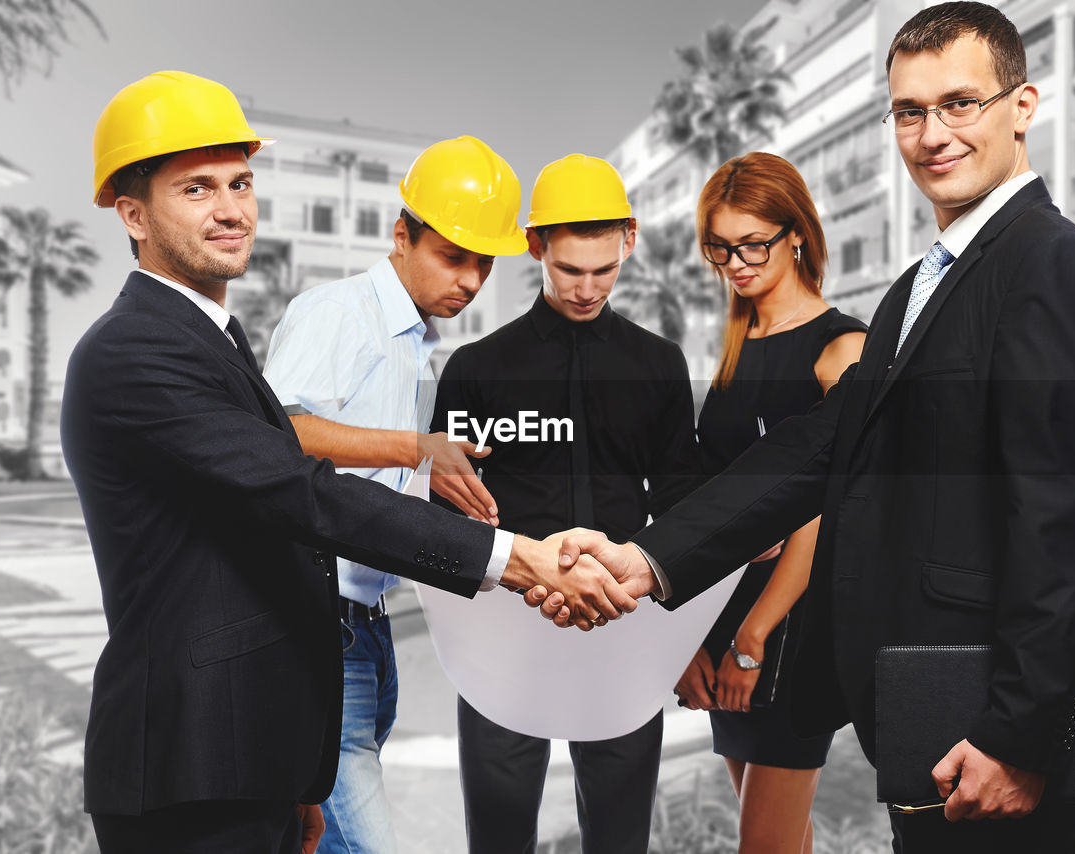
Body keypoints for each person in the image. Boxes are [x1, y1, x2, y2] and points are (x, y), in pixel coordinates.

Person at [543, 4, 1075, 852]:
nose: (932, 134)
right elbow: (820, 446)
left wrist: (1021, 733)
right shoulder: (917, 290)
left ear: (1022, 106)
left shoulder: (1051, 263)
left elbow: (1061, 519)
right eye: (908, 111)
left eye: (960, 103)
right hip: (928, 701)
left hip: (995, 723)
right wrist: (647, 559)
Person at [64, 70, 633, 854]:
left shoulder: (212, 341)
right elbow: (299, 489)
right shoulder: (136, 350)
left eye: (240, 182)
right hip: (188, 762)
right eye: (196, 190)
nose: (231, 209)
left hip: (255, 738)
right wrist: (520, 559)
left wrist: (301, 773)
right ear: (132, 214)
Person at [430, 154, 700, 854]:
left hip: (623, 630)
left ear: (629, 243)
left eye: (603, 270)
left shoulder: (660, 365)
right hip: (504, 628)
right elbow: (451, 516)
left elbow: (676, 502)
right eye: (569, 270)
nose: (586, 288)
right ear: (535, 247)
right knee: (497, 835)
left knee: (619, 838)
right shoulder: (475, 370)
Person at [261, 135, 524, 854]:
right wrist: (416, 448)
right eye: (453, 256)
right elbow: (280, 432)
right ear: (401, 235)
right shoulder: (340, 313)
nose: (471, 280)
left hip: (367, 629)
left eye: (484, 263)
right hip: (316, 629)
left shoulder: (416, 343)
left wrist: (429, 477)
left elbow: (360, 473)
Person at [672, 152, 864, 854]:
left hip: (794, 627)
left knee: (766, 848)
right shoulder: (730, 350)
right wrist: (689, 634)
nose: (736, 262)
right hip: (723, 614)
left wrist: (753, 639)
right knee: (786, 842)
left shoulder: (842, 348)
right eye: (720, 247)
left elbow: (824, 511)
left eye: (753, 242)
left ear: (797, 235)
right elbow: (706, 503)